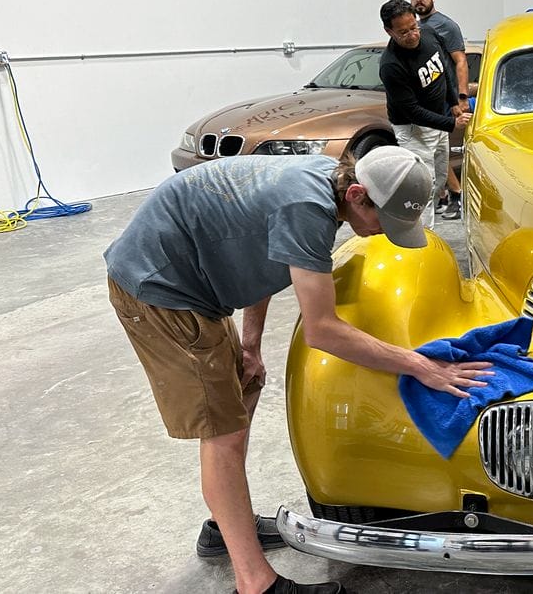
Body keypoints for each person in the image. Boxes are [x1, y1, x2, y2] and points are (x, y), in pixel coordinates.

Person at [105, 148, 494, 594]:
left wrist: (250, 345)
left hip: (194, 285)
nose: (383, 234)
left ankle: (225, 528)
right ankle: (256, 584)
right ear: (357, 195)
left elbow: (264, 257)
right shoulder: (307, 209)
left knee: (242, 391)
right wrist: (420, 366)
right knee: (223, 433)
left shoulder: (321, 186)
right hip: (160, 289)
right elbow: (323, 331)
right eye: (384, 223)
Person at [378, 0, 471, 229]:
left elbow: (443, 71)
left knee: (439, 179)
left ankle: (429, 227)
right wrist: (452, 123)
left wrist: (453, 101)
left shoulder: (429, 34)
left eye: (413, 27)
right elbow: (412, 111)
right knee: (423, 188)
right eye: (403, 32)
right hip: (414, 129)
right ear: (389, 31)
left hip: (437, 121)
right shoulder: (391, 65)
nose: (412, 35)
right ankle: (423, 240)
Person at [407, 0, 468, 220]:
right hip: (424, 100)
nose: (418, 0)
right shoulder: (415, 26)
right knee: (431, 152)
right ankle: (447, 195)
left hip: (444, 99)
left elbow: (461, 61)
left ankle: (457, 194)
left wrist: (461, 98)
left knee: (437, 151)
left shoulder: (446, 25)